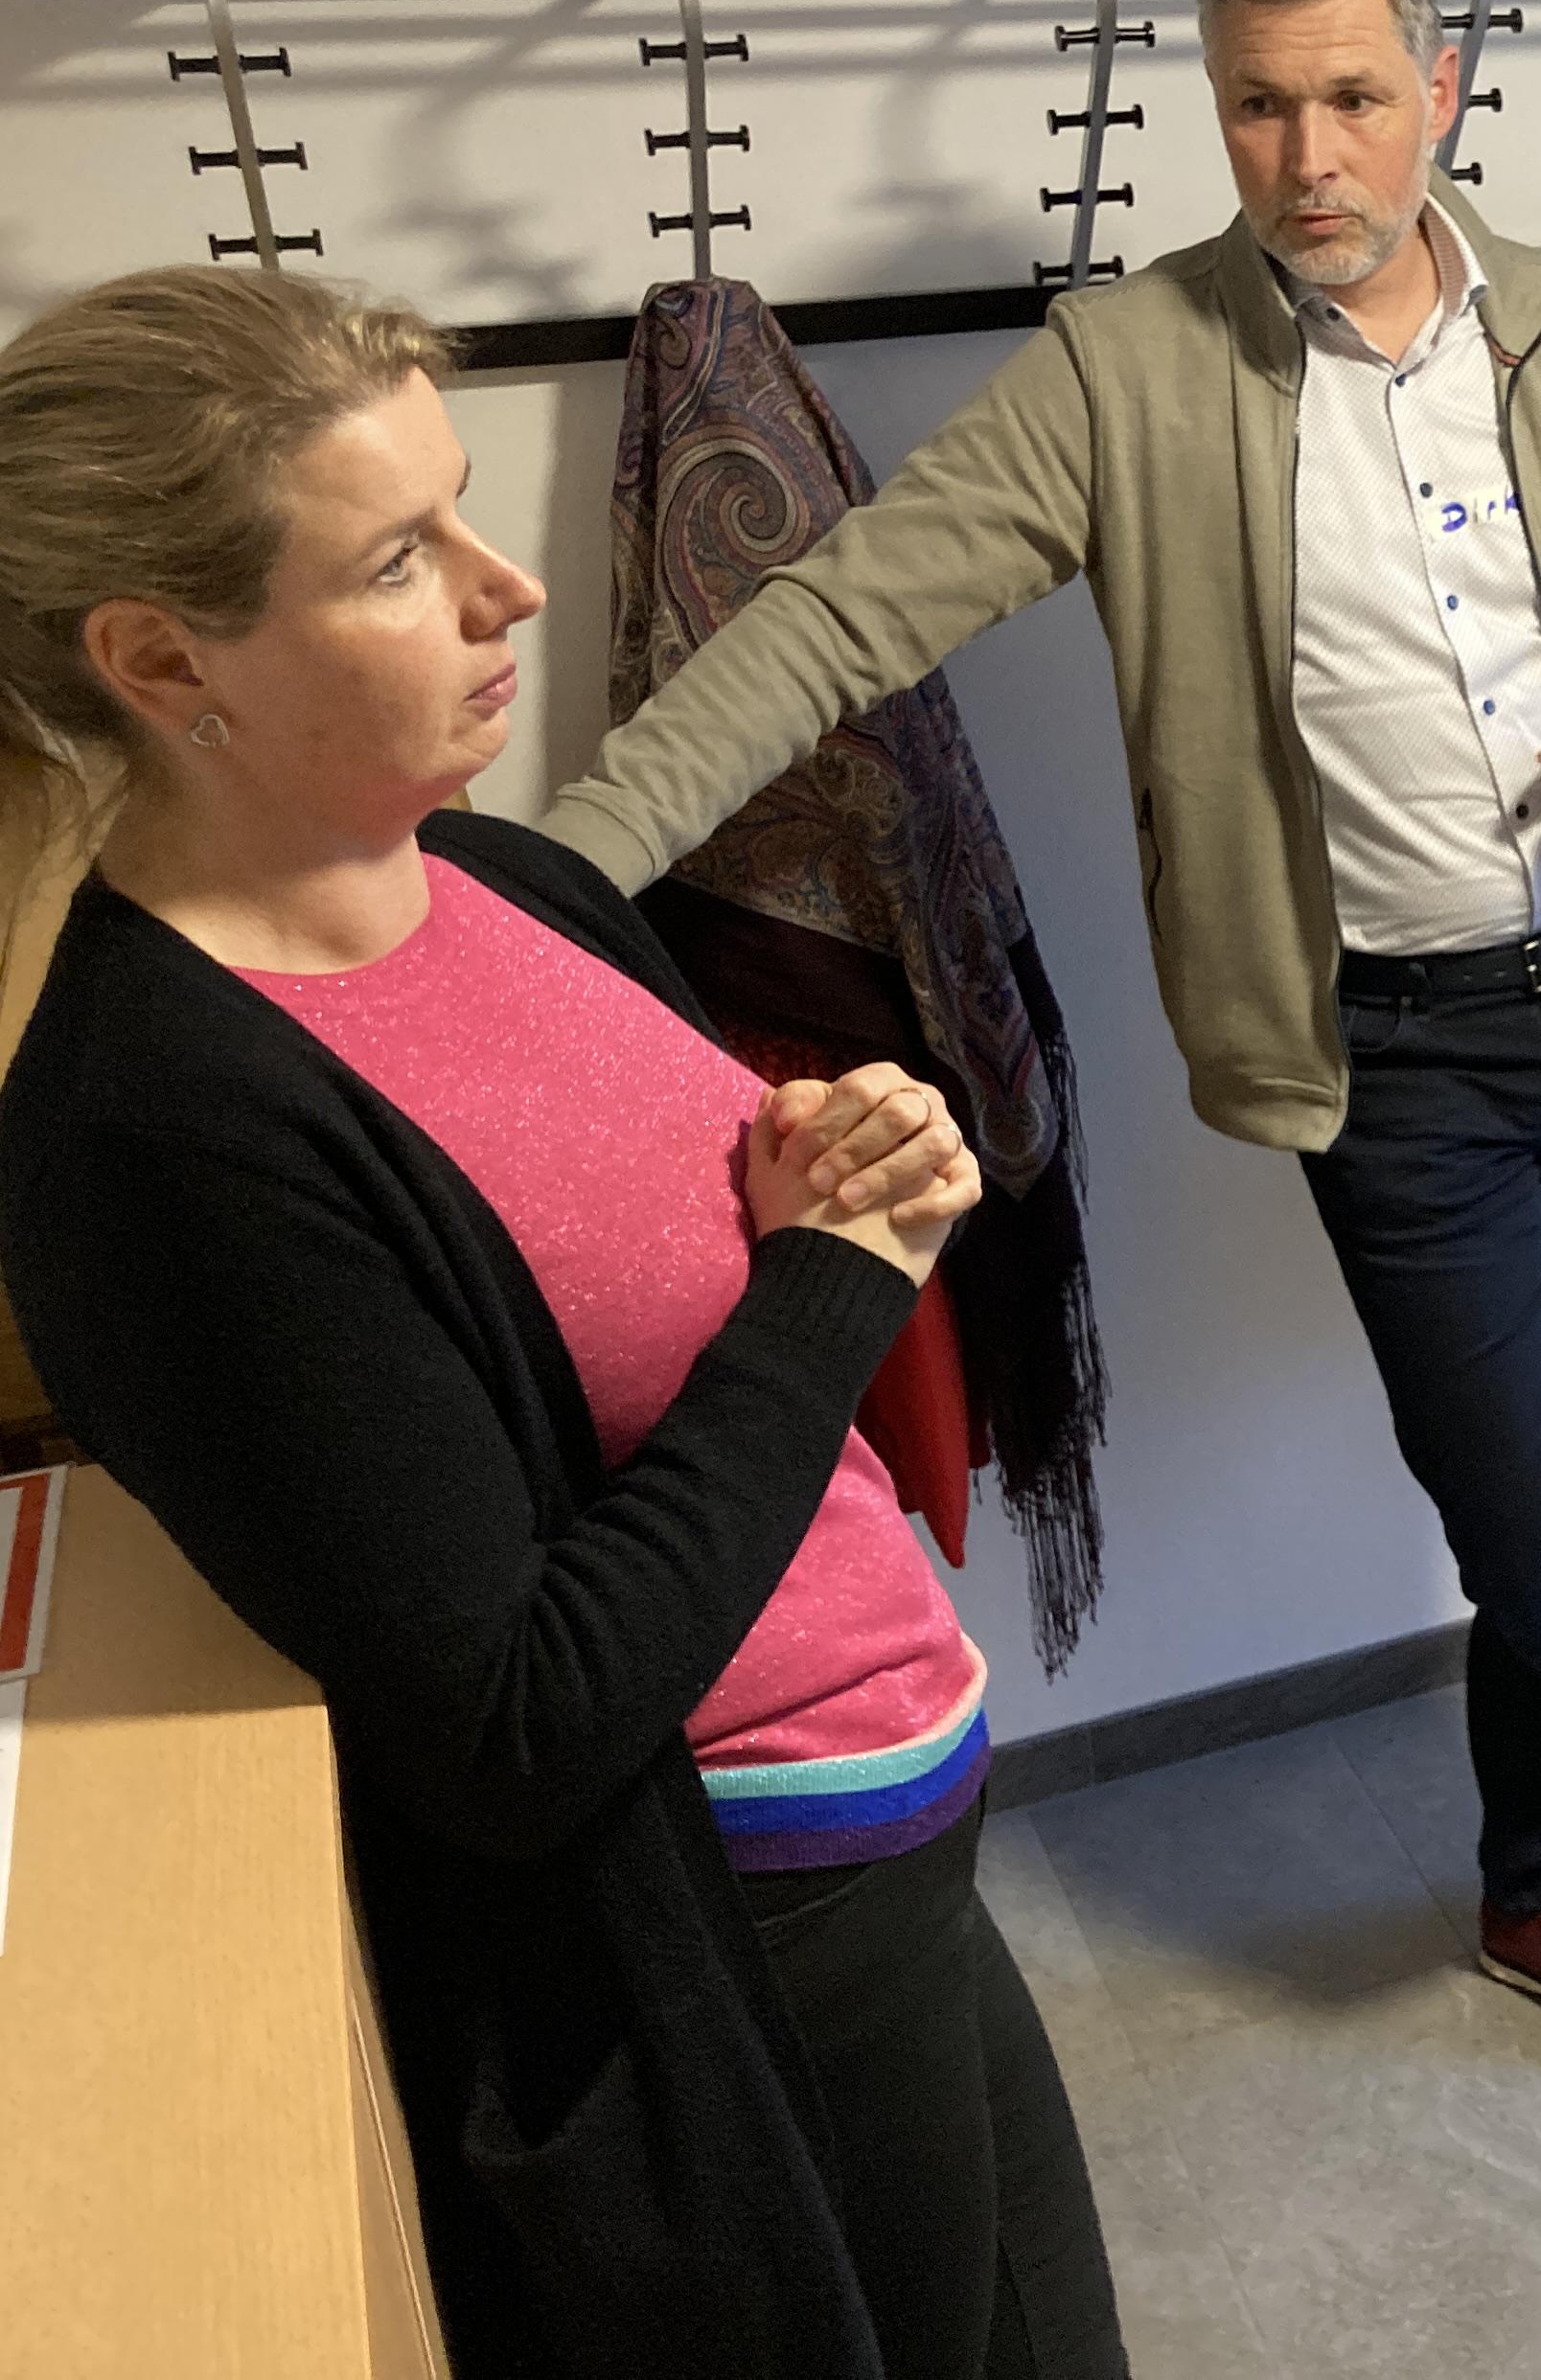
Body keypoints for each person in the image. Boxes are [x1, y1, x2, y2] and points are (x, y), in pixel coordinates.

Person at [537, 0, 1541, 2076]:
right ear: (1215, 106)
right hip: (1391, 1059)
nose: (1311, 156)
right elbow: (837, 620)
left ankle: (1535, 1890)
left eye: (1355, 98)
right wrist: (546, 877)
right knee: (1534, 1521)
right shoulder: (1127, 373)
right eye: (1260, 105)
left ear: (1439, 88)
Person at [0, 267, 1130, 2378]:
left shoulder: (509, 881)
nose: (506, 586)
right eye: (399, 558)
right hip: (737, 1926)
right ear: (161, 660)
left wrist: (842, 1161)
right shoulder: (163, 1131)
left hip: (896, 1808)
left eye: (462, 512)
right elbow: (512, 1725)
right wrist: (832, 1281)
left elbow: (688, 1268)